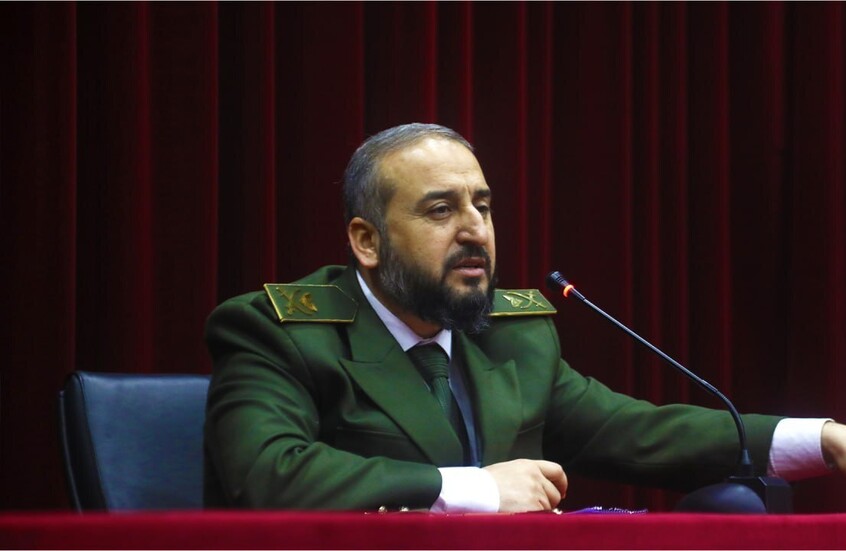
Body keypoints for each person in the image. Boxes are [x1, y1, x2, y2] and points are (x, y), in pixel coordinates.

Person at [204, 123, 846, 512]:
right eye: (440, 211)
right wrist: (479, 491)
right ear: (366, 241)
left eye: (482, 206)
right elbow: (268, 474)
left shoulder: (511, 336)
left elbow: (637, 433)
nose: (474, 230)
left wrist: (821, 439)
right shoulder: (277, 332)